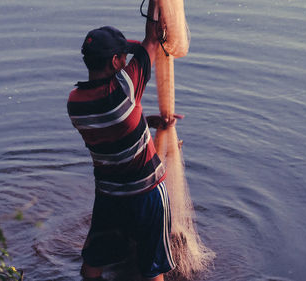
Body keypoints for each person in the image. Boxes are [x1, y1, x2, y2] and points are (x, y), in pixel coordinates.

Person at [67, 2, 180, 280]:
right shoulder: (124, 88)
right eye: (123, 58)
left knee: (92, 264)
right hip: (147, 194)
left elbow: (111, 132)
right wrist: (157, 4)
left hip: (109, 197)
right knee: (152, 269)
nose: (126, 63)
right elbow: (152, 39)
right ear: (116, 62)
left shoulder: (75, 104)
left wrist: (148, 122)